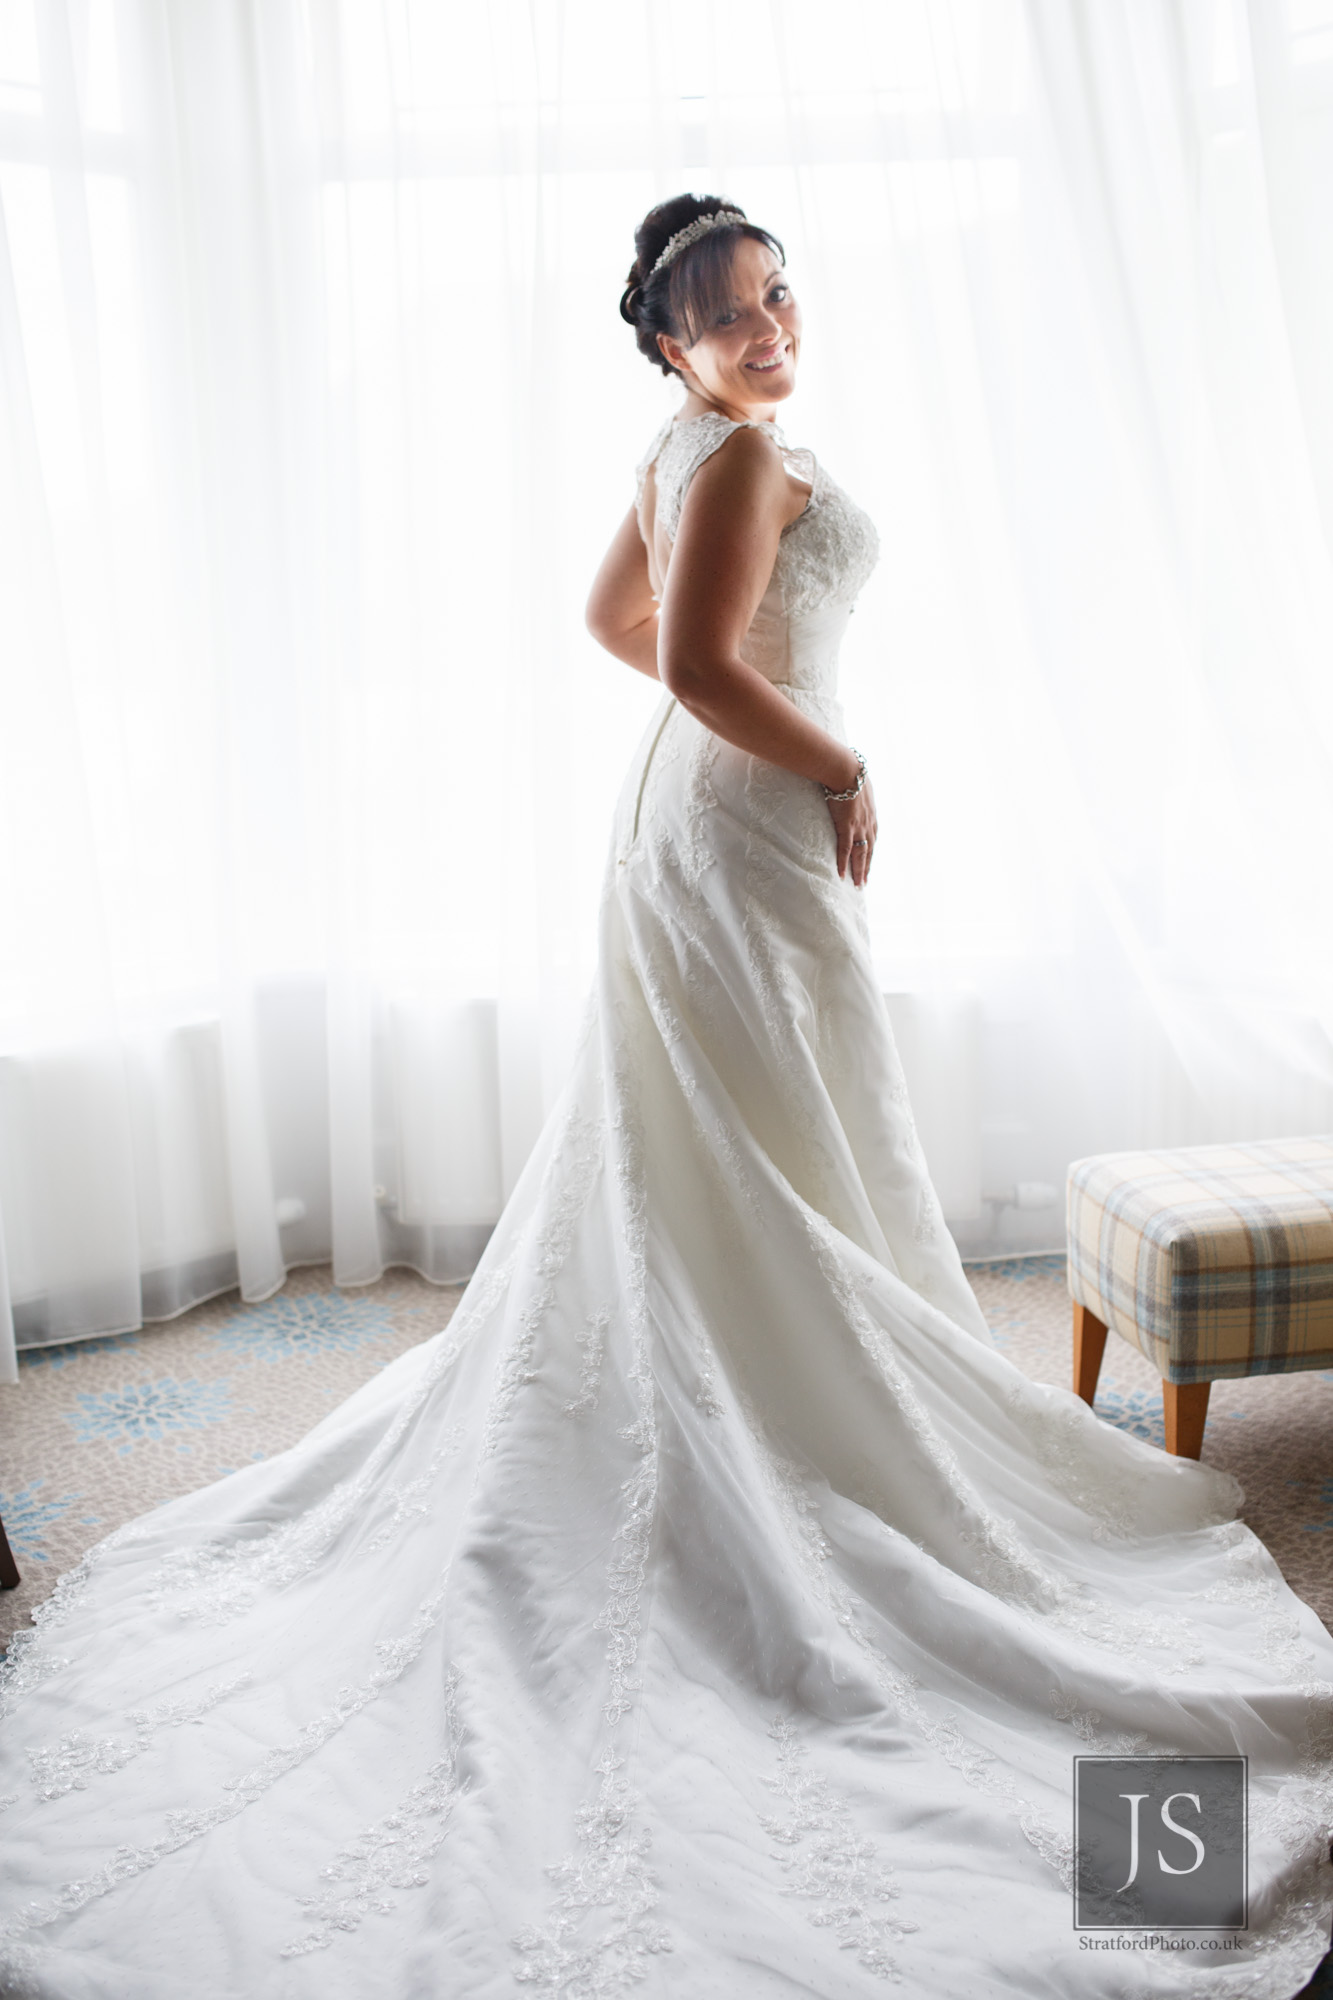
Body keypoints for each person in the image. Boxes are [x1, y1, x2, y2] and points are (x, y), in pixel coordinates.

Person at [0, 193, 1330, 2000]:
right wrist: (840, 754)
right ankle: (781, 1464)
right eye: (726, 315)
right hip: (742, 823)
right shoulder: (736, 457)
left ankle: (762, 1389)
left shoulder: (701, 443)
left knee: (745, 1148)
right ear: (665, 342)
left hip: (698, 818)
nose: (768, 329)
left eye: (778, 298)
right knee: (751, 1150)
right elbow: (692, 656)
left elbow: (611, 619)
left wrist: (764, 725)